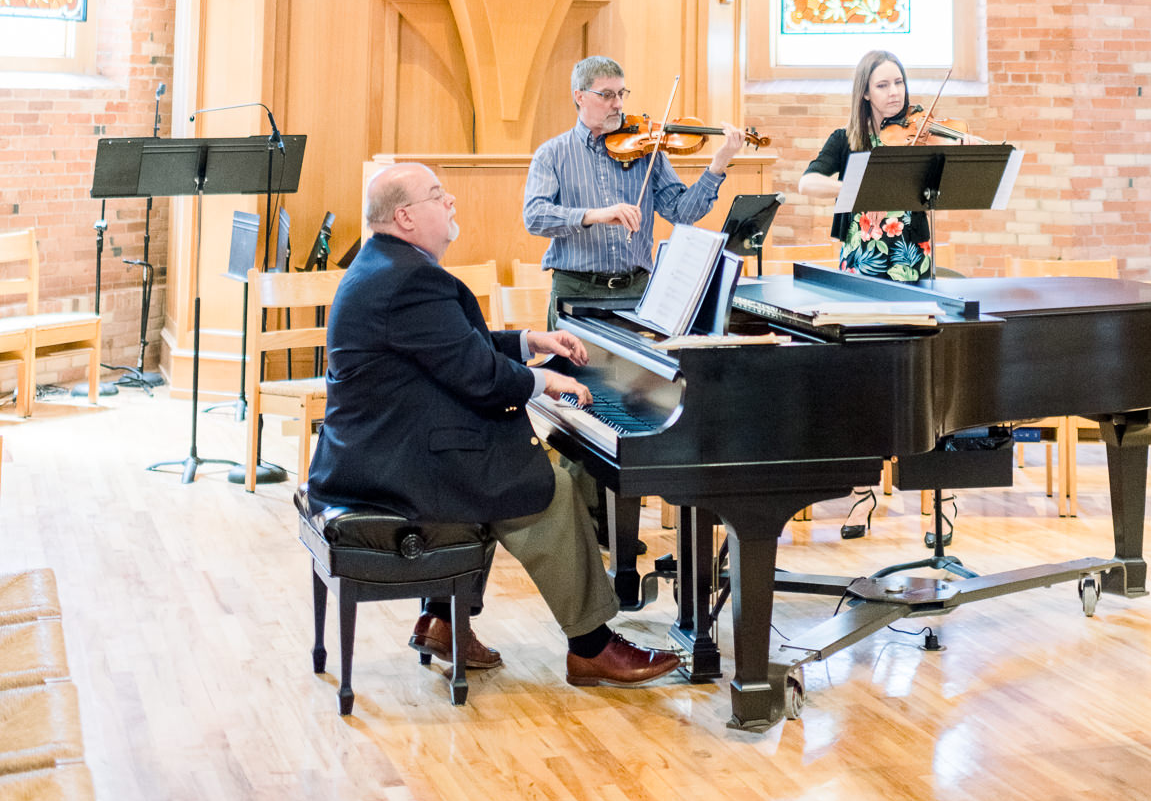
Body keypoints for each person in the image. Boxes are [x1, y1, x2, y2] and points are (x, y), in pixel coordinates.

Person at [306, 160, 680, 688]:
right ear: (407, 217)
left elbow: (451, 345)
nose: (451, 201)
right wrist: (546, 382)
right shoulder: (409, 278)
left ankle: (443, 618)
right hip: (393, 467)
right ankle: (592, 647)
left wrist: (530, 341)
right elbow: (476, 374)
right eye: (439, 195)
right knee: (547, 486)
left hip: (376, 450)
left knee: (503, 460)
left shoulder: (387, 266)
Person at [525, 55, 745, 323]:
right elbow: (535, 217)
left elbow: (681, 212)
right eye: (606, 95)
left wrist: (718, 164)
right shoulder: (552, 154)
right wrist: (594, 215)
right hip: (576, 289)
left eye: (621, 93)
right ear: (580, 96)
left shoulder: (645, 151)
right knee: (571, 366)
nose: (617, 104)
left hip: (637, 289)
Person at [798, 48, 933, 283]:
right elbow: (807, 183)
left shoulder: (918, 135)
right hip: (861, 257)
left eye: (899, 83)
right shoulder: (845, 139)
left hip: (912, 255)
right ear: (866, 93)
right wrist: (855, 187)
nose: (894, 92)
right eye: (882, 85)